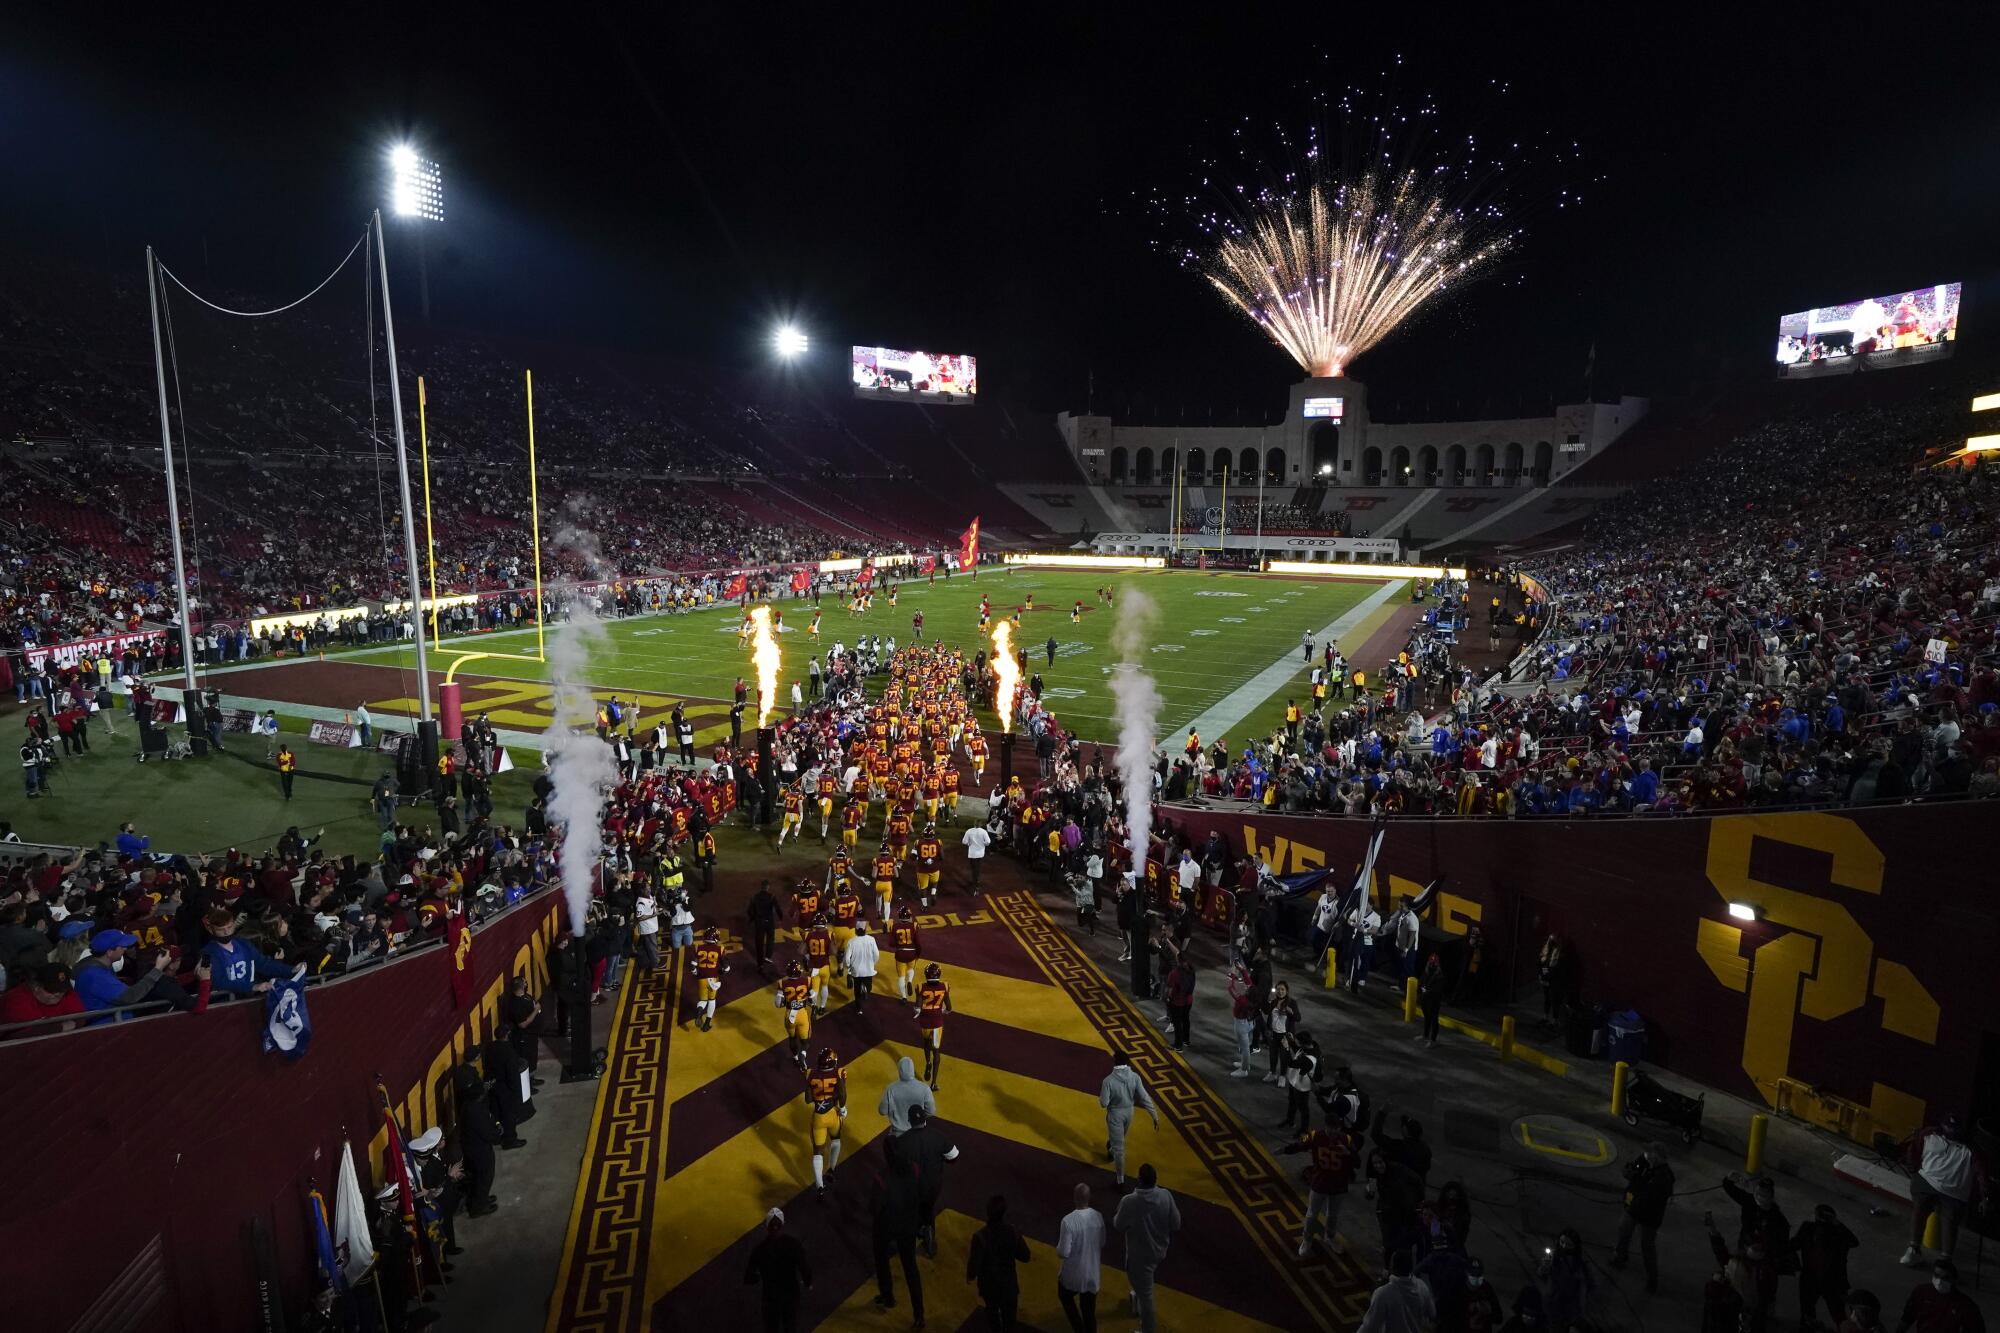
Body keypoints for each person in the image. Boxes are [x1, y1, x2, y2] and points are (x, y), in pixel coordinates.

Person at [1901, 1116, 1987, 1266]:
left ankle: (1943, 1260)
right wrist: (1913, 1169)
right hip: (1927, 1181)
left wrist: (1985, 1196)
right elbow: (1914, 1149)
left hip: (1953, 1191)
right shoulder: (1929, 1134)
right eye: (1948, 1126)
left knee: (1948, 1221)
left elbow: (1981, 1174)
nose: (1951, 1130)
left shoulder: (1972, 1150)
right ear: (1942, 1125)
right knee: (1922, 1211)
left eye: (1955, 1128)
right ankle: (1915, 1250)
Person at [1113, 1163, 1180, 1333]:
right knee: (1143, 1284)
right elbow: (1176, 1224)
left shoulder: (1129, 1201)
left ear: (1139, 1180)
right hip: (1159, 1250)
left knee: (1147, 1296)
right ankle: (1137, 1297)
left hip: (1139, 1255)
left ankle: (1148, 1330)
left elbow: (1118, 1225)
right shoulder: (1166, 1196)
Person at [891, 1104, 959, 1258]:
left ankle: (906, 1240)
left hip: (911, 1187)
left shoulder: (901, 1142)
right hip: (933, 1185)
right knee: (928, 1210)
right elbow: (954, 1156)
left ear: (909, 1121)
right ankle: (929, 1239)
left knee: (909, 1213)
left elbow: (895, 1167)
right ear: (925, 1118)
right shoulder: (937, 1136)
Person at [1281, 1122, 1356, 1257]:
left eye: (1336, 1128)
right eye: (1331, 1127)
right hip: (1320, 1182)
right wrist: (1285, 1150)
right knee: (1312, 1214)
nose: (1333, 1131)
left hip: (1338, 1184)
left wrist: (1348, 1153)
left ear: (1340, 1128)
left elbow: (1357, 1162)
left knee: (1333, 1215)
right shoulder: (1316, 1136)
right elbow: (1300, 1146)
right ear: (1326, 1126)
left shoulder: (1346, 1139)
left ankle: (1330, 1237)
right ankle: (1307, 1239)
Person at [1611, 1142, 1674, 1293]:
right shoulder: (1644, 1160)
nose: (1647, 1158)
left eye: (1651, 1156)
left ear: (1659, 1157)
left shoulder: (1665, 1177)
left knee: (1647, 1246)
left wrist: (1637, 1195)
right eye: (1647, 1154)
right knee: (1623, 1231)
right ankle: (1620, 1257)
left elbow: (1653, 1197)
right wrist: (1629, 1173)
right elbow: (1631, 1172)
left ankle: (1652, 1279)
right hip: (1633, 1208)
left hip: (1649, 1216)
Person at [871, 1154, 925, 1325]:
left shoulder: (883, 1177)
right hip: (908, 1225)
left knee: (881, 1259)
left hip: (887, 1225)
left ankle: (888, 1296)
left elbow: (874, 1206)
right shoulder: (914, 1169)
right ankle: (919, 1315)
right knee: (911, 1269)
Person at [967, 1194, 1030, 1332]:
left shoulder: (980, 1237)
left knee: (992, 1317)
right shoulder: (1013, 1232)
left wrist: (970, 1275)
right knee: (1010, 1322)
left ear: (987, 1212)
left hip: (990, 1288)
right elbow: (1026, 1256)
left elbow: (974, 1267)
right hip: (1009, 1286)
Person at [743, 1207, 812, 1333]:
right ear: (782, 1224)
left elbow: (748, 1277)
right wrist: (808, 1282)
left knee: (771, 1329)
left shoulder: (759, 1250)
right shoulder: (793, 1244)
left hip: (770, 1298)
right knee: (790, 1326)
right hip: (790, 1295)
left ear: (767, 1226)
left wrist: (757, 1277)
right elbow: (804, 1267)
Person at [1097, 1050, 1159, 1186]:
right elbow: (1144, 1098)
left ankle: (1120, 1181)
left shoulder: (1108, 1081)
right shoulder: (1135, 1077)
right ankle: (1112, 1148)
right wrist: (1154, 1116)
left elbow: (1103, 1103)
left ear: (1114, 1062)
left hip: (1115, 1114)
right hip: (1129, 1112)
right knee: (1120, 1141)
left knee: (1119, 1150)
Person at [1795, 1202, 1858, 1331]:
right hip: (1813, 1279)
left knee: (1838, 1314)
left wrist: (1837, 1224)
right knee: (1808, 1312)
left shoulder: (1837, 1234)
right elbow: (1795, 1243)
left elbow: (1854, 1242)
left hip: (1832, 1281)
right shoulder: (1809, 1229)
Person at [1055, 1182, 1104, 1333]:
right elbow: (1102, 1242)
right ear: (1089, 1198)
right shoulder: (1098, 1217)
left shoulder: (1068, 1221)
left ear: (1074, 1198)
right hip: (1092, 1274)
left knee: (1064, 1295)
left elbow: (1063, 1252)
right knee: (1089, 1311)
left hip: (1074, 1274)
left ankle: (1078, 1328)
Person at [1357, 1249, 1436, 1333]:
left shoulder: (1383, 1293)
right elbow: (1432, 1314)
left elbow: (1371, 1326)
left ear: (1393, 1267)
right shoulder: (1422, 1286)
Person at [1895, 1258, 1982, 1332]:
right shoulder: (1921, 1292)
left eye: (1946, 1278)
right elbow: (1907, 1319)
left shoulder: (1966, 1306)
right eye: (1936, 1275)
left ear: (1954, 1280)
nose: (1940, 1281)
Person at [805, 1046, 847, 1198]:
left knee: (817, 1152)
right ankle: (832, 1169)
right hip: (832, 1114)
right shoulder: (839, 1073)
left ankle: (819, 1186)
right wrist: (842, 1108)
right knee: (836, 1139)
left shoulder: (810, 1073)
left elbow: (808, 1099)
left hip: (818, 1116)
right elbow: (842, 1093)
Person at [914, 961, 952, 1091]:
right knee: (936, 1051)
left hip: (925, 1021)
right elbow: (949, 1007)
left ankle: (927, 1062)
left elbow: (917, 1006)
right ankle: (934, 1082)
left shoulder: (920, 987)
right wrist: (943, 1011)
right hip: (937, 1022)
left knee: (926, 1043)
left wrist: (919, 1010)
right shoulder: (945, 987)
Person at [878, 1055, 936, 1136]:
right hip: (918, 1133)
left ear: (899, 1071)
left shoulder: (891, 1089)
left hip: (897, 1134)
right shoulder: (925, 1088)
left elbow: (882, 1111)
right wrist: (918, 1118)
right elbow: (931, 1111)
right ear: (912, 1070)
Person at [688, 926, 727, 1031]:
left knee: (703, 1000)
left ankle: (700, 1011)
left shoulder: (698, 947)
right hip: (713, 979)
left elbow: (692, 966)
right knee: (712, 1000)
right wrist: (722, 972)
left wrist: (696, 973)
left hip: (701, 978)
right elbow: (726, 968)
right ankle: (707, 1024)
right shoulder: (720, 949)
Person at [845, 922, 879, 1012]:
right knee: (869, 987)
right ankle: (866, 989)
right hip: (868, 969)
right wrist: (872, 963)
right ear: (865, 930)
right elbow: (876, 954)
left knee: (856, 990)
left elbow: (847, 958)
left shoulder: (851, 941)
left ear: (856, 930)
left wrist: (848, 967)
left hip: (856, 970)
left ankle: (859, 1009)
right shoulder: (871, 939)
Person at [1162, 954, 1194, 1053]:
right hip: (1188, 1000)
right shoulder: (1191, 970)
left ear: (1177, 960)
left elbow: (1170, 989)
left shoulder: (1174, 973)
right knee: (1185, 1020)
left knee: (1177, 1023)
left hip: (1177, 1002)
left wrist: (1167, 998)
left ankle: (1178, 1046)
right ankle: (1186, 1040)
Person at [747, 880, 780, 974]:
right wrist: (780, 917)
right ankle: (768, 956)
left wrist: (752, 919)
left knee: (759, 944)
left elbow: (749, 910)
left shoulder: (754, 897)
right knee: (770, 938)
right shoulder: (772, 896)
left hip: (759, 923)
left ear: (761, 887)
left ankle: (760, 964)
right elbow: (777, 908)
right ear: (768, 887)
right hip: (769, 922)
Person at [1417, 953, 1447, 1047]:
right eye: (1431, 962)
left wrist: (1426, 991)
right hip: (1425, 999)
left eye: (1434, 963)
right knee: (1427, 1018)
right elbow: (1421, 981)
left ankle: (1433, 1040)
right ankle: (1425, 1035)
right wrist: (1421, 989)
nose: (1432, 964)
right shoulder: (1426, 971)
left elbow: (1437, 990)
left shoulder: (1439, 976)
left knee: (1434, 1020)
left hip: (1433, 1001)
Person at [961, 820, 991, 890]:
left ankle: (975, 884)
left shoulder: (969, 831)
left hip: (972, 854)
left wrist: (969, 844)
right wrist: (983, 844)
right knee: (978, 868)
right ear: (981, 825)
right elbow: (988, 842)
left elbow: (964, 842)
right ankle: (976, 882)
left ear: (974, 824)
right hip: (980, 853)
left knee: (974, 869)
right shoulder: (983, 831)